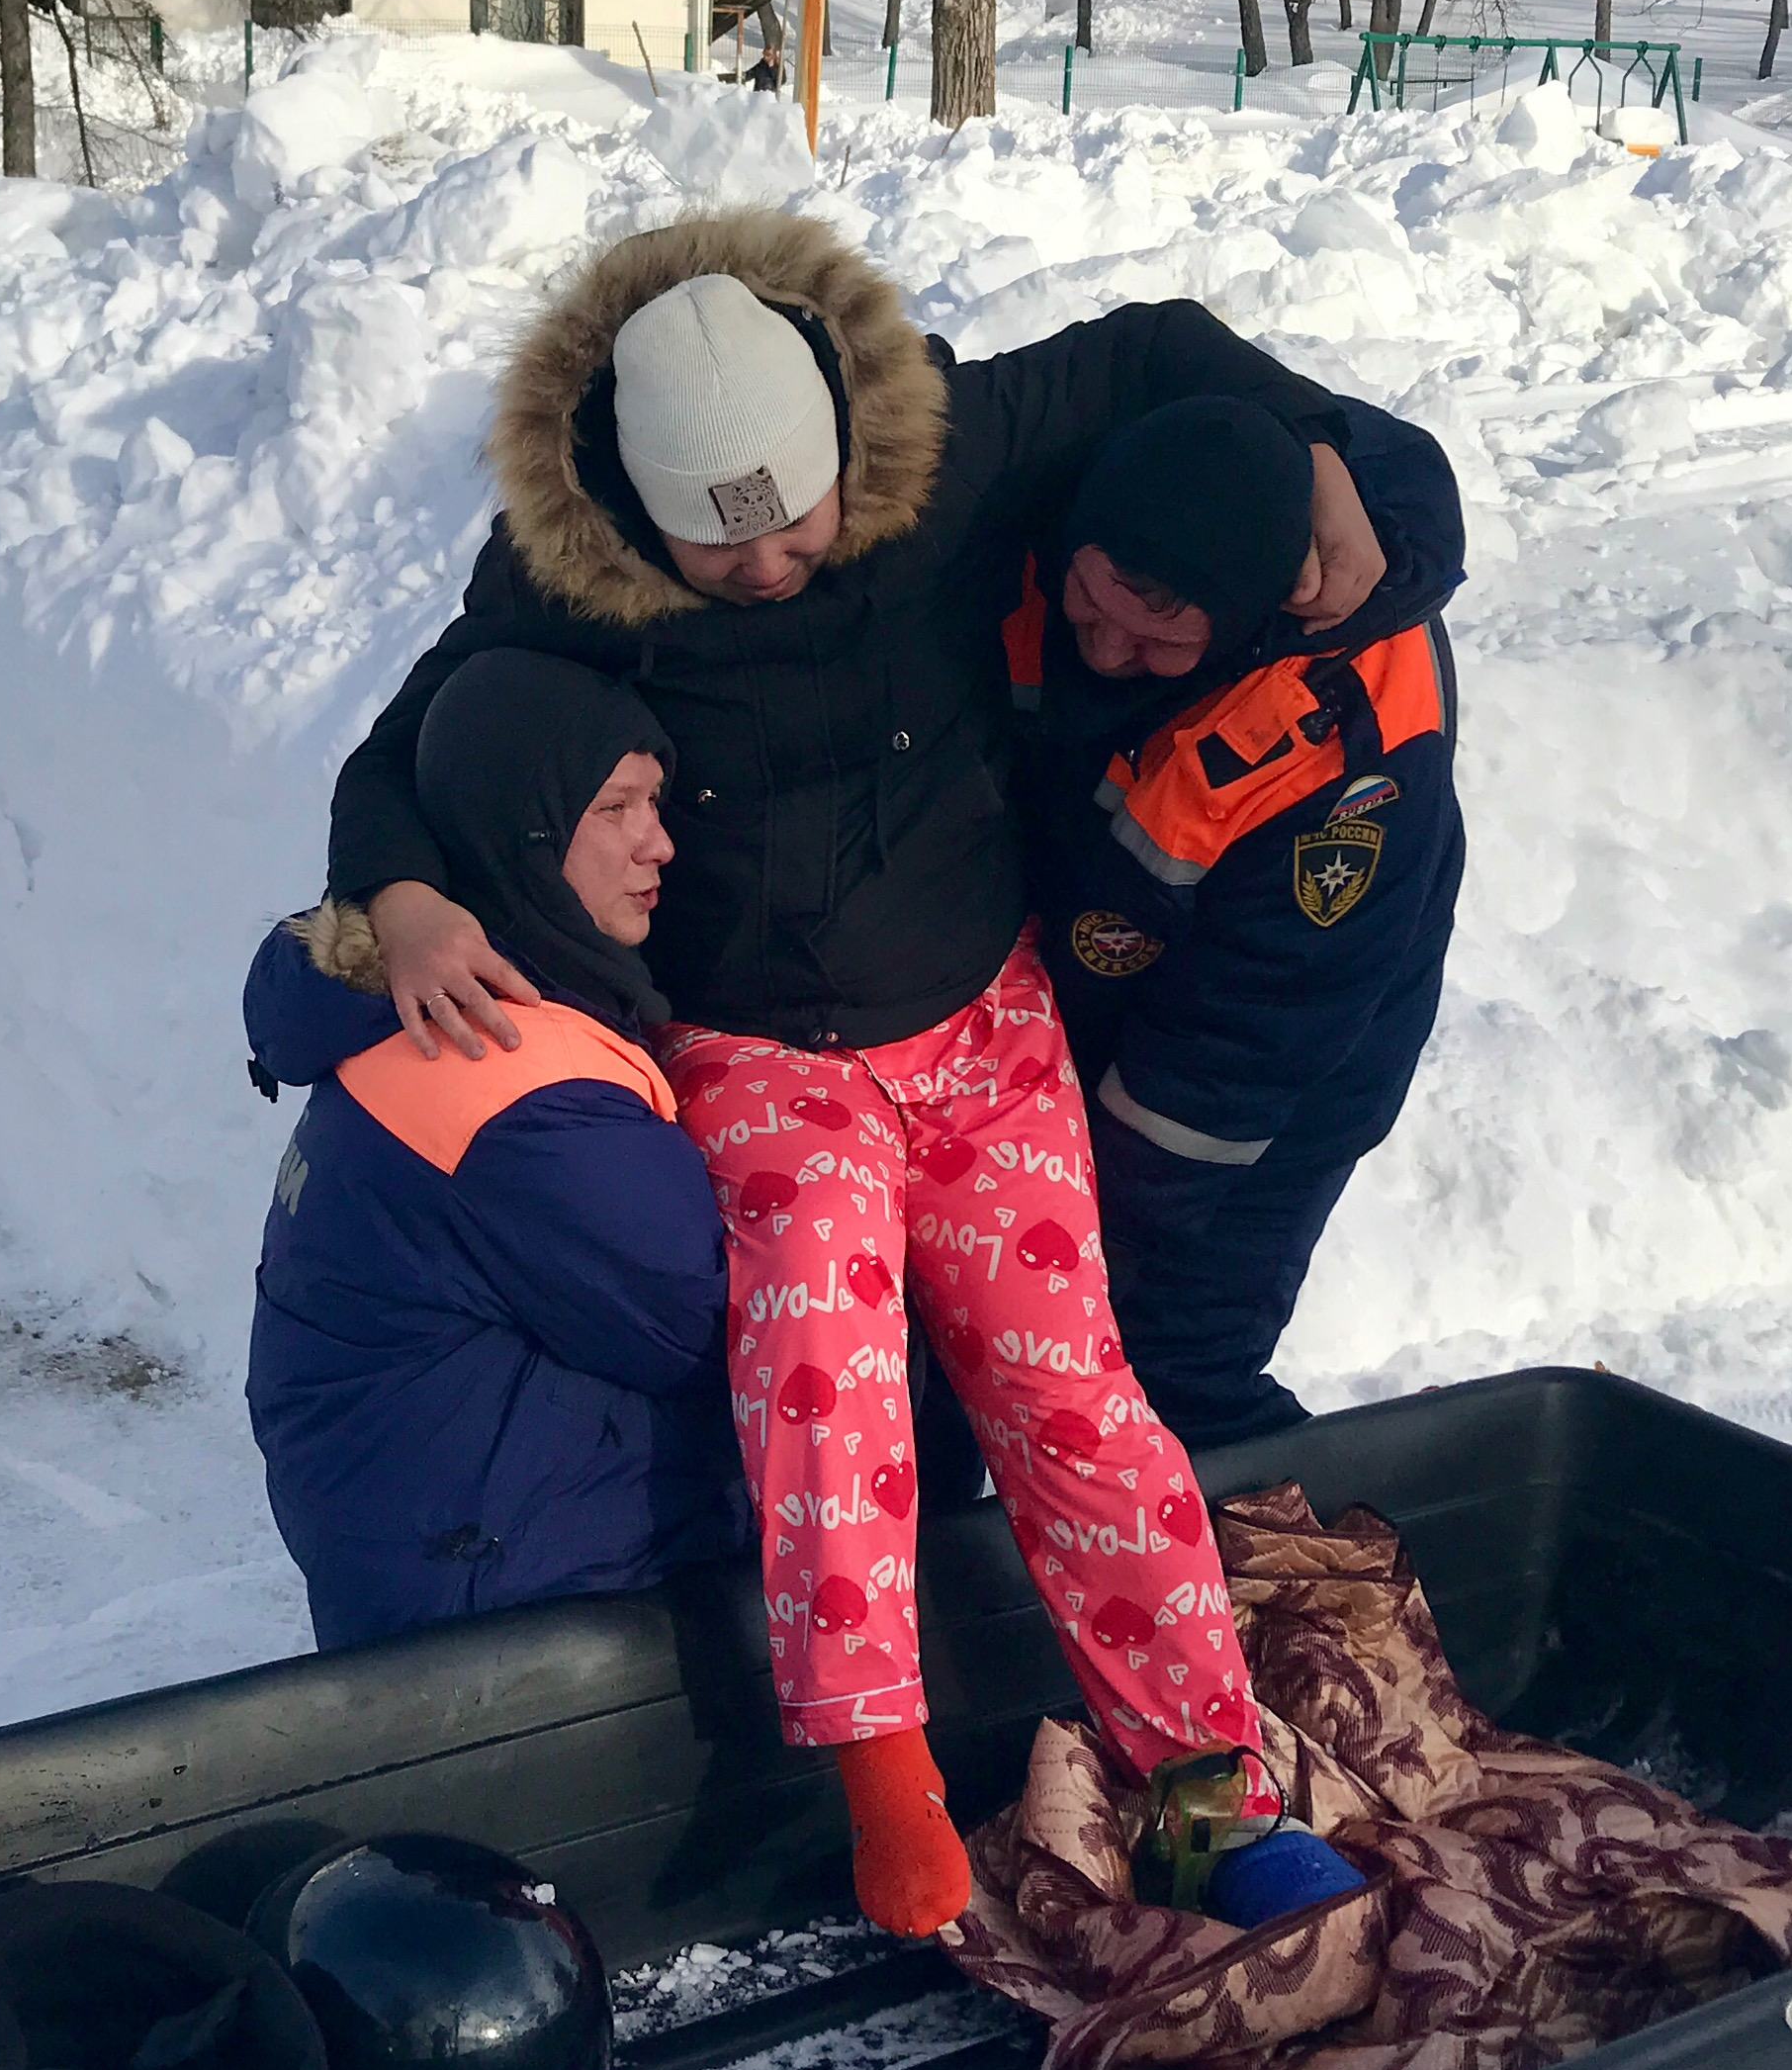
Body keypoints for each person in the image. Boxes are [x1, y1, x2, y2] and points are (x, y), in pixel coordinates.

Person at [319, 209, 1441, 1937]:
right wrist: (397, 893)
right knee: (826, 1387)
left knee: (1078, 1399)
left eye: (795, 525)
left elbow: (1155, 346)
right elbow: (412, 740)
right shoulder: (568, 570)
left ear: (848, 442)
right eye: (719, 548)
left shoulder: (948, 442)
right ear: (636, 507)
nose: (768, 570)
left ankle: (1206, 1789)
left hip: (987, 1022)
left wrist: (1324, 455)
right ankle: (885, 1775)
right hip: (767, 1054)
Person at [244, 651, 749, 1653]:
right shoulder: (503, 1078)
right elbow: (721, 1324)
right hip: (507, 1610)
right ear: (524, 828)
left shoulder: (407, 1010)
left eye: (656, 803)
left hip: (431, 1544)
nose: (659, 847)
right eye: (614, 809)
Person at [1025, 396, 1468, 1450]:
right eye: (1092, 609)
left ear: (1245, 620)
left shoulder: (1346, 748)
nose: (1112, 652)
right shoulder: (1049, 516)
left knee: (1164, 1364)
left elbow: (1239, 1050)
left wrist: (1080, 1258)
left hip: (1266, 1091)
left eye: (1160, 640)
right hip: (1080, 990)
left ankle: (1323, 1595)